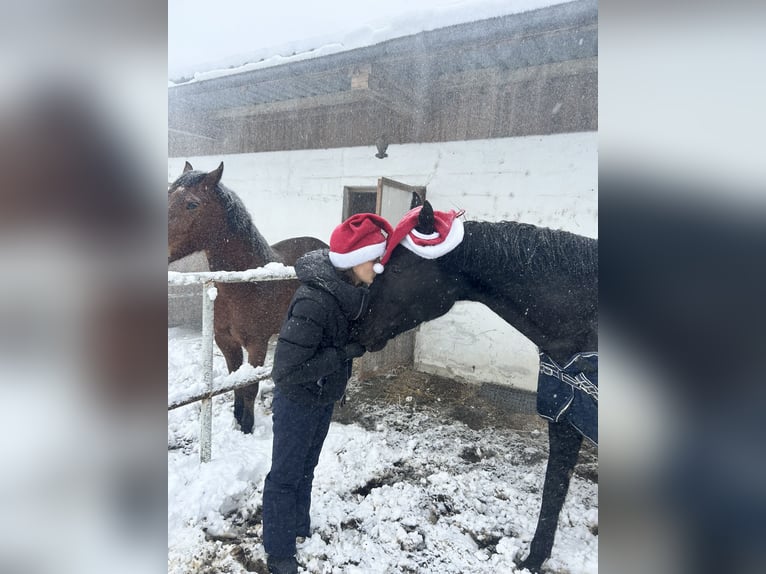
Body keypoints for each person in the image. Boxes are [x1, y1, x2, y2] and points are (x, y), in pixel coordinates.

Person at [262, 213, 392, 574]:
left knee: (307, 466)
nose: (378, 268)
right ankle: (278, 549)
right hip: (297, 399)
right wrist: (341, 354)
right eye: (374, 260)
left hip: (321, 396)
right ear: (353, 262)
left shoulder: (348, 293)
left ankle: (297, 524)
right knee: (285, 474)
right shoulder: (314, 301)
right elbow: (285, 370)